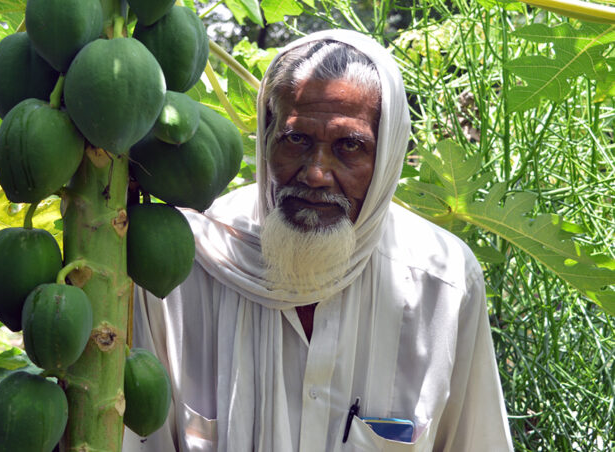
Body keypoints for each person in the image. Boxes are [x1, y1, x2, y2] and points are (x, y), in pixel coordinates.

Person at [123, 29, 513, 452]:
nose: (316, 173)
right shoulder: (184, 266)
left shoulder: (444, 283)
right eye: (296, 139)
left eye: (349, 146)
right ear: (267, 135)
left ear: (386, 157)